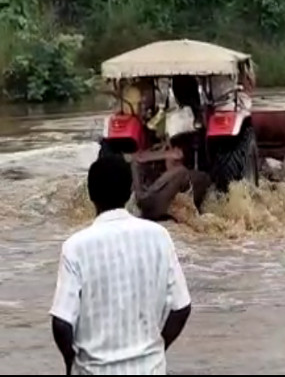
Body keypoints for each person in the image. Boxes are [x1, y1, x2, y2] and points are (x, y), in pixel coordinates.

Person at [50, 155, 192, 375]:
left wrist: (72, 362)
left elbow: (61, 323)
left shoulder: (75, 247)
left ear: (90, 194)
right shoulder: (159, 237)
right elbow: (181, 308)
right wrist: (156, 351)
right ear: (129, 193)